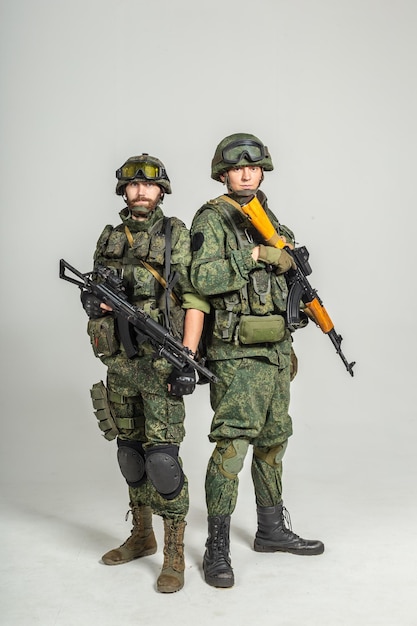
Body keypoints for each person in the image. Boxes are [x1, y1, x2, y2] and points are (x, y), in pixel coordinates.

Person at [190, 133, 324, 588]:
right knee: (232, 447)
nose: (246, 173)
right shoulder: (213, 217)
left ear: (262, 170)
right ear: (223, 173)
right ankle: (218, 546)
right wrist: (254, 255)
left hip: (275, 349)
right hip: (236, 353)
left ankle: (270, 529)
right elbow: (202, 278)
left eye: (253, 166)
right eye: (236, 167)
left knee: (273, 442)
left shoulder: (269, 217)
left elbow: (285, 278)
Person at [80, 153, 209, 593]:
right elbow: (91, 292)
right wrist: (95, 303)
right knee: (131, 457)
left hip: (161, 366)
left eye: (149, 186)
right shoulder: (110, 237)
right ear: (123, 191)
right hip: (120, 365)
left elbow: (194, 300)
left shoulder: (176, 236)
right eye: (133, 186)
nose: (140, 192)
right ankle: (142, 535)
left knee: (162, 462)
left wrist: (187, 359)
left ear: (161, 191)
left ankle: (174, 553)